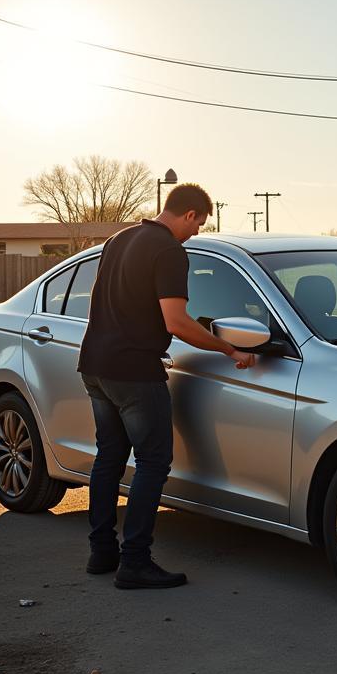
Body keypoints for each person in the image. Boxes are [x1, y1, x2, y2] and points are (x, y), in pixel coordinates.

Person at [77, 183, 256, 589]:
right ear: (189, 214)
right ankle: (135, 561)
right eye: (199, 224)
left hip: (95, 365)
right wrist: (229, 349)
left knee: (108, 458)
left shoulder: (119, 239)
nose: (196, 233)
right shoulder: (170, 252)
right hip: (135, 371)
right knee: (153, 463)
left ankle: (102, 551)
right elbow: (176, 322)